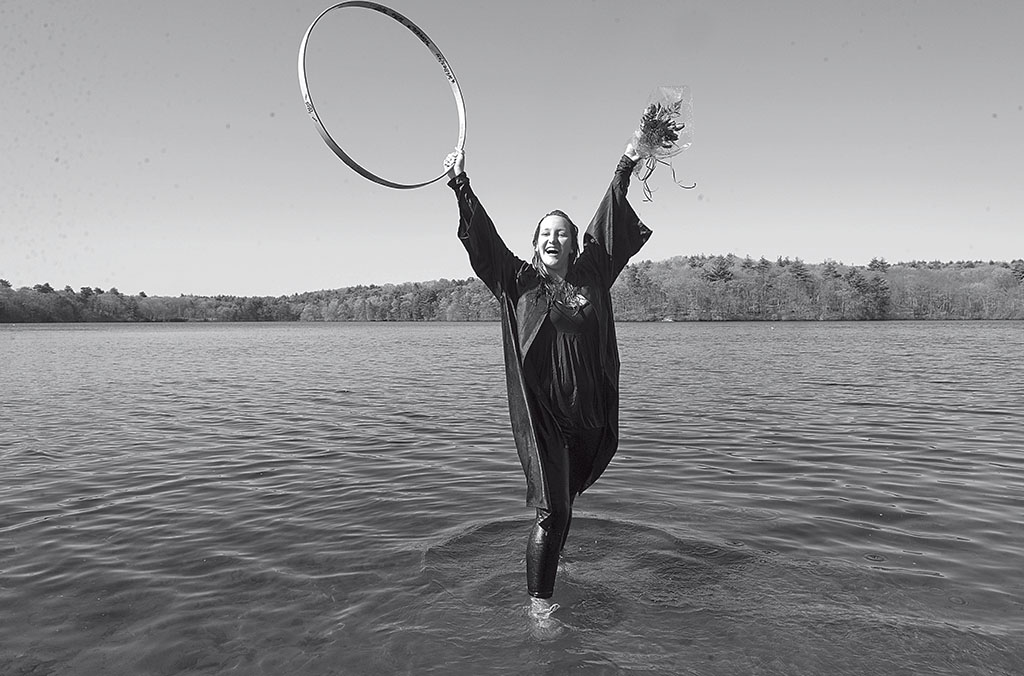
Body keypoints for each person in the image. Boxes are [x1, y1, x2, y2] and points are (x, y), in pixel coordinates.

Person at [444, 142, 651, 624]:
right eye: (544, 234)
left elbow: (608, 215)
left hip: (588, 415)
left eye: (562, 233)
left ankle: (554, 558)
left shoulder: (592, 274)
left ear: (575, 245)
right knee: (550, 509)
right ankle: (539, 606)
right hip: (543, 420)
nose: (552, 239)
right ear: (535, 244)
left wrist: (629, 159)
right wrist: (460, 183)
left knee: (565, 502)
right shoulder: (516, 282)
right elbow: (484, 241)